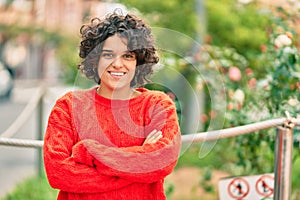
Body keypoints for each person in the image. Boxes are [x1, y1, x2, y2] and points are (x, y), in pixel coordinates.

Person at [43, 10, 181, 200]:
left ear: (139, 61)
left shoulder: (157, 105)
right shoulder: (69, 106)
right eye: (108, 55)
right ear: (96, 59)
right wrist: (138, 164)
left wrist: (90, 152)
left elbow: (161, 162)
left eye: (128, 56)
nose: (118, 64)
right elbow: (58, 173)